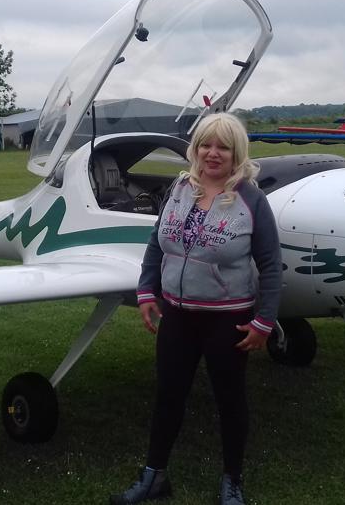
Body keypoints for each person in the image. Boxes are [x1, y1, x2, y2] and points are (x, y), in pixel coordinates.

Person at [111, 113, 282, 505]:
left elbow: (272, 265)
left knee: (230, 400)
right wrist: (146, 291)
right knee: (168, 396)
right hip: (178, 315)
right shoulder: (179, 188)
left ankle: (232, 482)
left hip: (228, 318)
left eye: (223, 147)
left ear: (237, 153)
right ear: (195, 149)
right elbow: (156, 243)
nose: (213, 153)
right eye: (206, 144)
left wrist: (265, 320)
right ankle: (154, 477)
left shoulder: (252, 200)